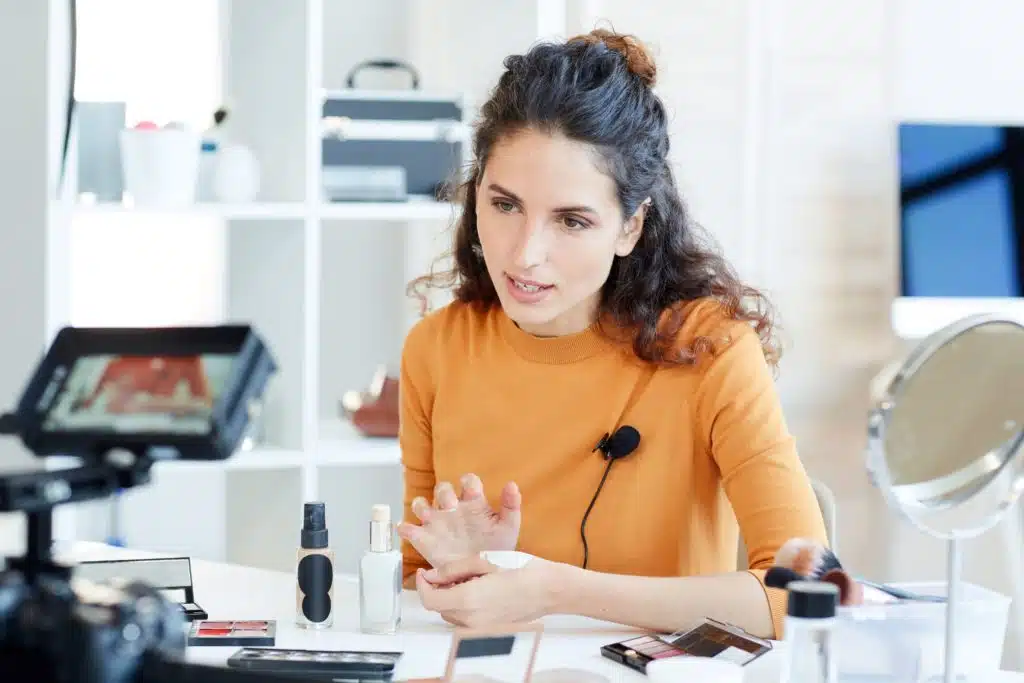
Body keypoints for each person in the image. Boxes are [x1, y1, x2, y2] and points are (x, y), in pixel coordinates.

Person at [395, 28, 829, 641]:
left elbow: (806, 595)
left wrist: (555, 589)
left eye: (571, 220)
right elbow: (416, 586)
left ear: (630, 227)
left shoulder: (710, 350)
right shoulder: (438, 349)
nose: (525, 255)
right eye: (505, 205)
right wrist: (467, 570)